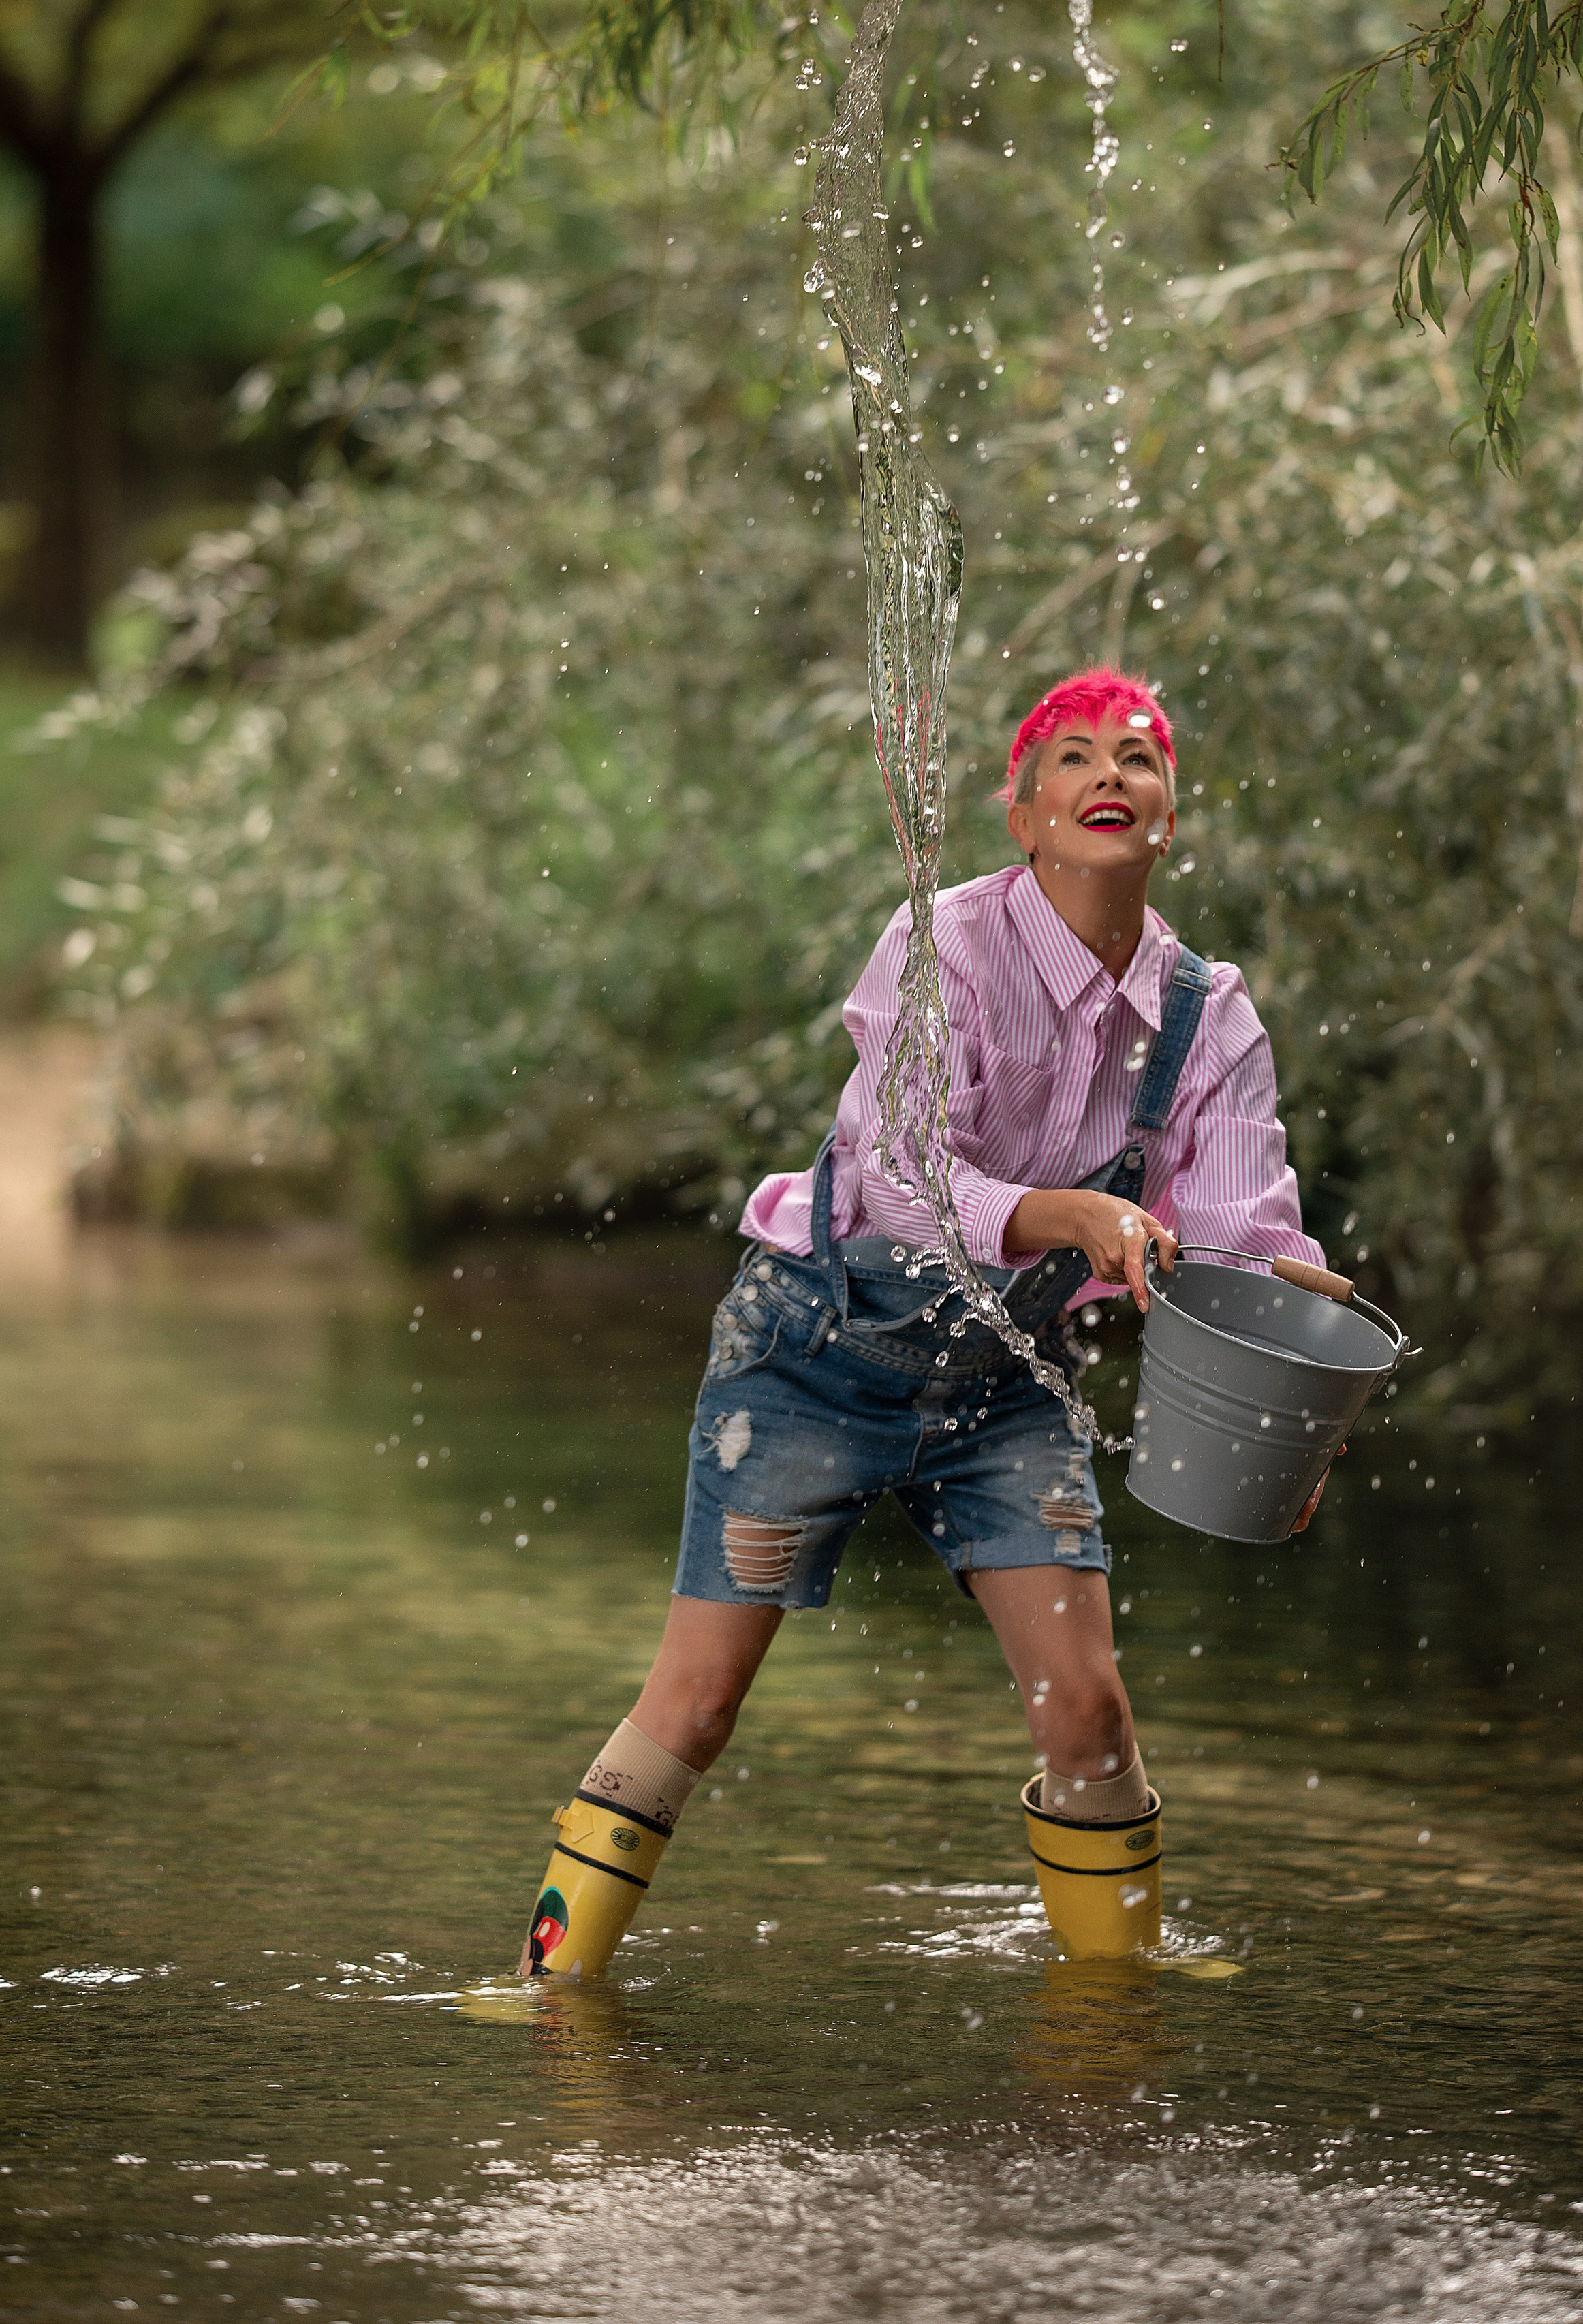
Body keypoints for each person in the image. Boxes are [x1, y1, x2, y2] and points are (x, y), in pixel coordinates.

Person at [517, 665, 1327, 1980]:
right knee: (702, 1702)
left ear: (1172, 815)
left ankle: (1116, 2018)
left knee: (1093, 1721)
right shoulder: (941, 943)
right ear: (1021, 814)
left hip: (1006, 1389)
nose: (1106, 775)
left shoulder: (1207, 1012)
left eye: (1137, 758)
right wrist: (1075, 1218)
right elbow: (897, 1174)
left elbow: (1241, 1240)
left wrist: (1294, 1382)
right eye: (1070, 759)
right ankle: (549, 1996)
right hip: (810, 1352)